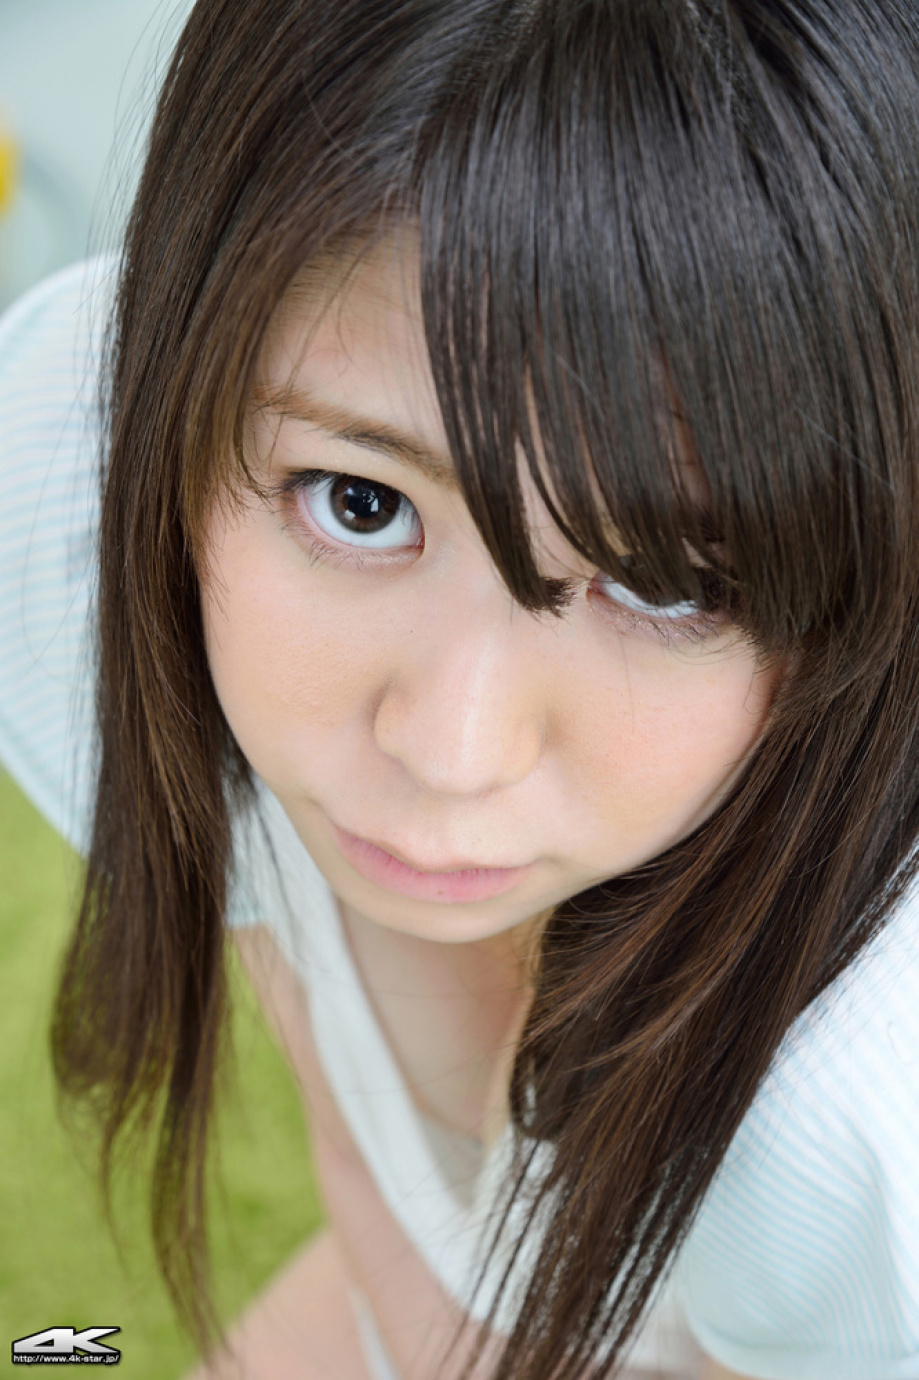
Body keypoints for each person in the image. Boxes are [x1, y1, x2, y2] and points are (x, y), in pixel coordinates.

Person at [2, 1, 919, 1377]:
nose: (449, 749)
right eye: (359, 502)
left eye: (663, 583)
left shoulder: (851, 1107)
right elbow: (351, 1104)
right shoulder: (81, 505)